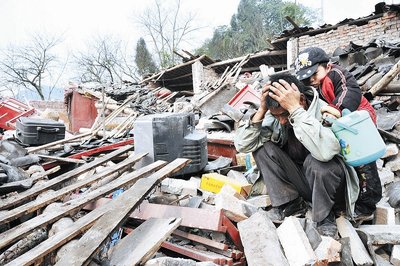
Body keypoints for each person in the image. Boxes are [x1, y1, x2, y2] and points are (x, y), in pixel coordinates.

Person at [234, 73, 360, 237]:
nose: (282, 121)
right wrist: (262, 110)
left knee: (317, 163)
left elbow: (326, 153)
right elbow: (243, 145)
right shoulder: (276, 117)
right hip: (304, 182)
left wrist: (295, 111)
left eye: (284, 114)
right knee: (263, 148)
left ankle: (325, 216)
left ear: (301, 100)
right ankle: (292, 204)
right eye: (276, 115)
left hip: (331, 187)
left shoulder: (324, 112)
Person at [294, 47, 382, 219]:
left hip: (358, 121)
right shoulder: (315, 86)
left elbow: (349, 90)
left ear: (327, 66)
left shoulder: (336, 74)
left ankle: (368, 204)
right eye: (306, 78)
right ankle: (356, 198)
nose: (311, 80)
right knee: (351, 159)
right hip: (342, 126)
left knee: (364, 161)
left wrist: (337, 108)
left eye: (314, 74)